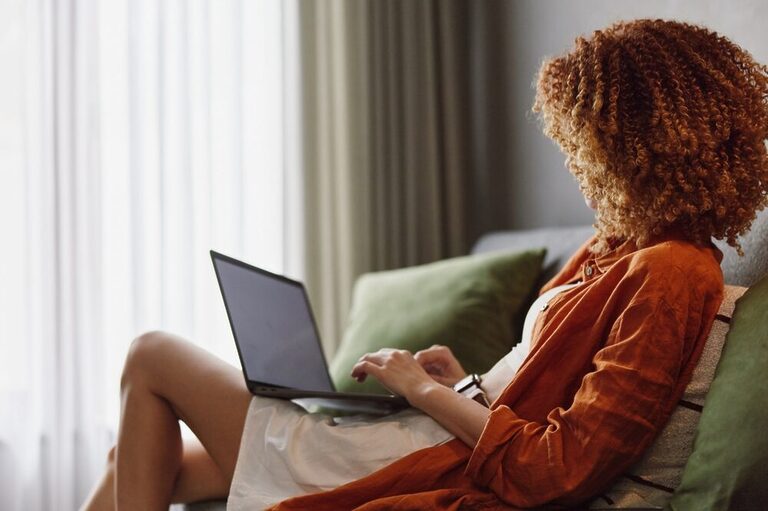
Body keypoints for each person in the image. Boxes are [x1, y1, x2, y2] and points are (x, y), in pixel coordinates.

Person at [81, 18, 768, 511]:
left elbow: (560, 466)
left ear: (636, 144)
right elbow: (525, 390)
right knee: (134, 462)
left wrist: (424, 392)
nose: (575, 163)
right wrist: (461, 383)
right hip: (429, 430)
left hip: (427, 451)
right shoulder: (613, 248)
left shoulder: (674, 273)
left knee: (152, 355)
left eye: (585, 143)